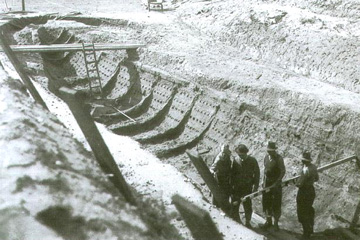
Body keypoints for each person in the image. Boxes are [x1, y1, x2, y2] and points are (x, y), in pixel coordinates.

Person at [230, 144, 260, 228]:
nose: (240, 156)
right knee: (235, 204)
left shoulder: (252, 160)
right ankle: (236, 220)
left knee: (247, 205)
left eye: (241, 155)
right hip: (237, 187)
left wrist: (255, 186)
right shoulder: (235, 160)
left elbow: (257, 174)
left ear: (246, 153)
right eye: (239, 155)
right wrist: (232, 185)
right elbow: (232, 174)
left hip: (247, 187)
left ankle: (247, 221)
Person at [260, 141, 286, 231]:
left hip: (276, 185)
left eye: (271, 151)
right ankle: (268, 221)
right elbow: (265, 170)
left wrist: (277, 182)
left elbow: (283, 171)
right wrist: (263, 182)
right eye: (268, 150)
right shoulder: (266, 157)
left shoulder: (279, 159)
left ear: (274, 150)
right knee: (266, 202)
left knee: (276, 203)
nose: (269, 152)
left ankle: (276, 224)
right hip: (267, 184)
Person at [296, 151, 319, 240]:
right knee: (308, 210)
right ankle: (310, 229)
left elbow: (299, 184)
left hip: (304, 192)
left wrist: (296, 182)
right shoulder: (313, 167)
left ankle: (306, 234)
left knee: (301, 212)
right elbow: (316, 178)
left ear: (304, 161)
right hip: (311, 191)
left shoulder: (305, 170)